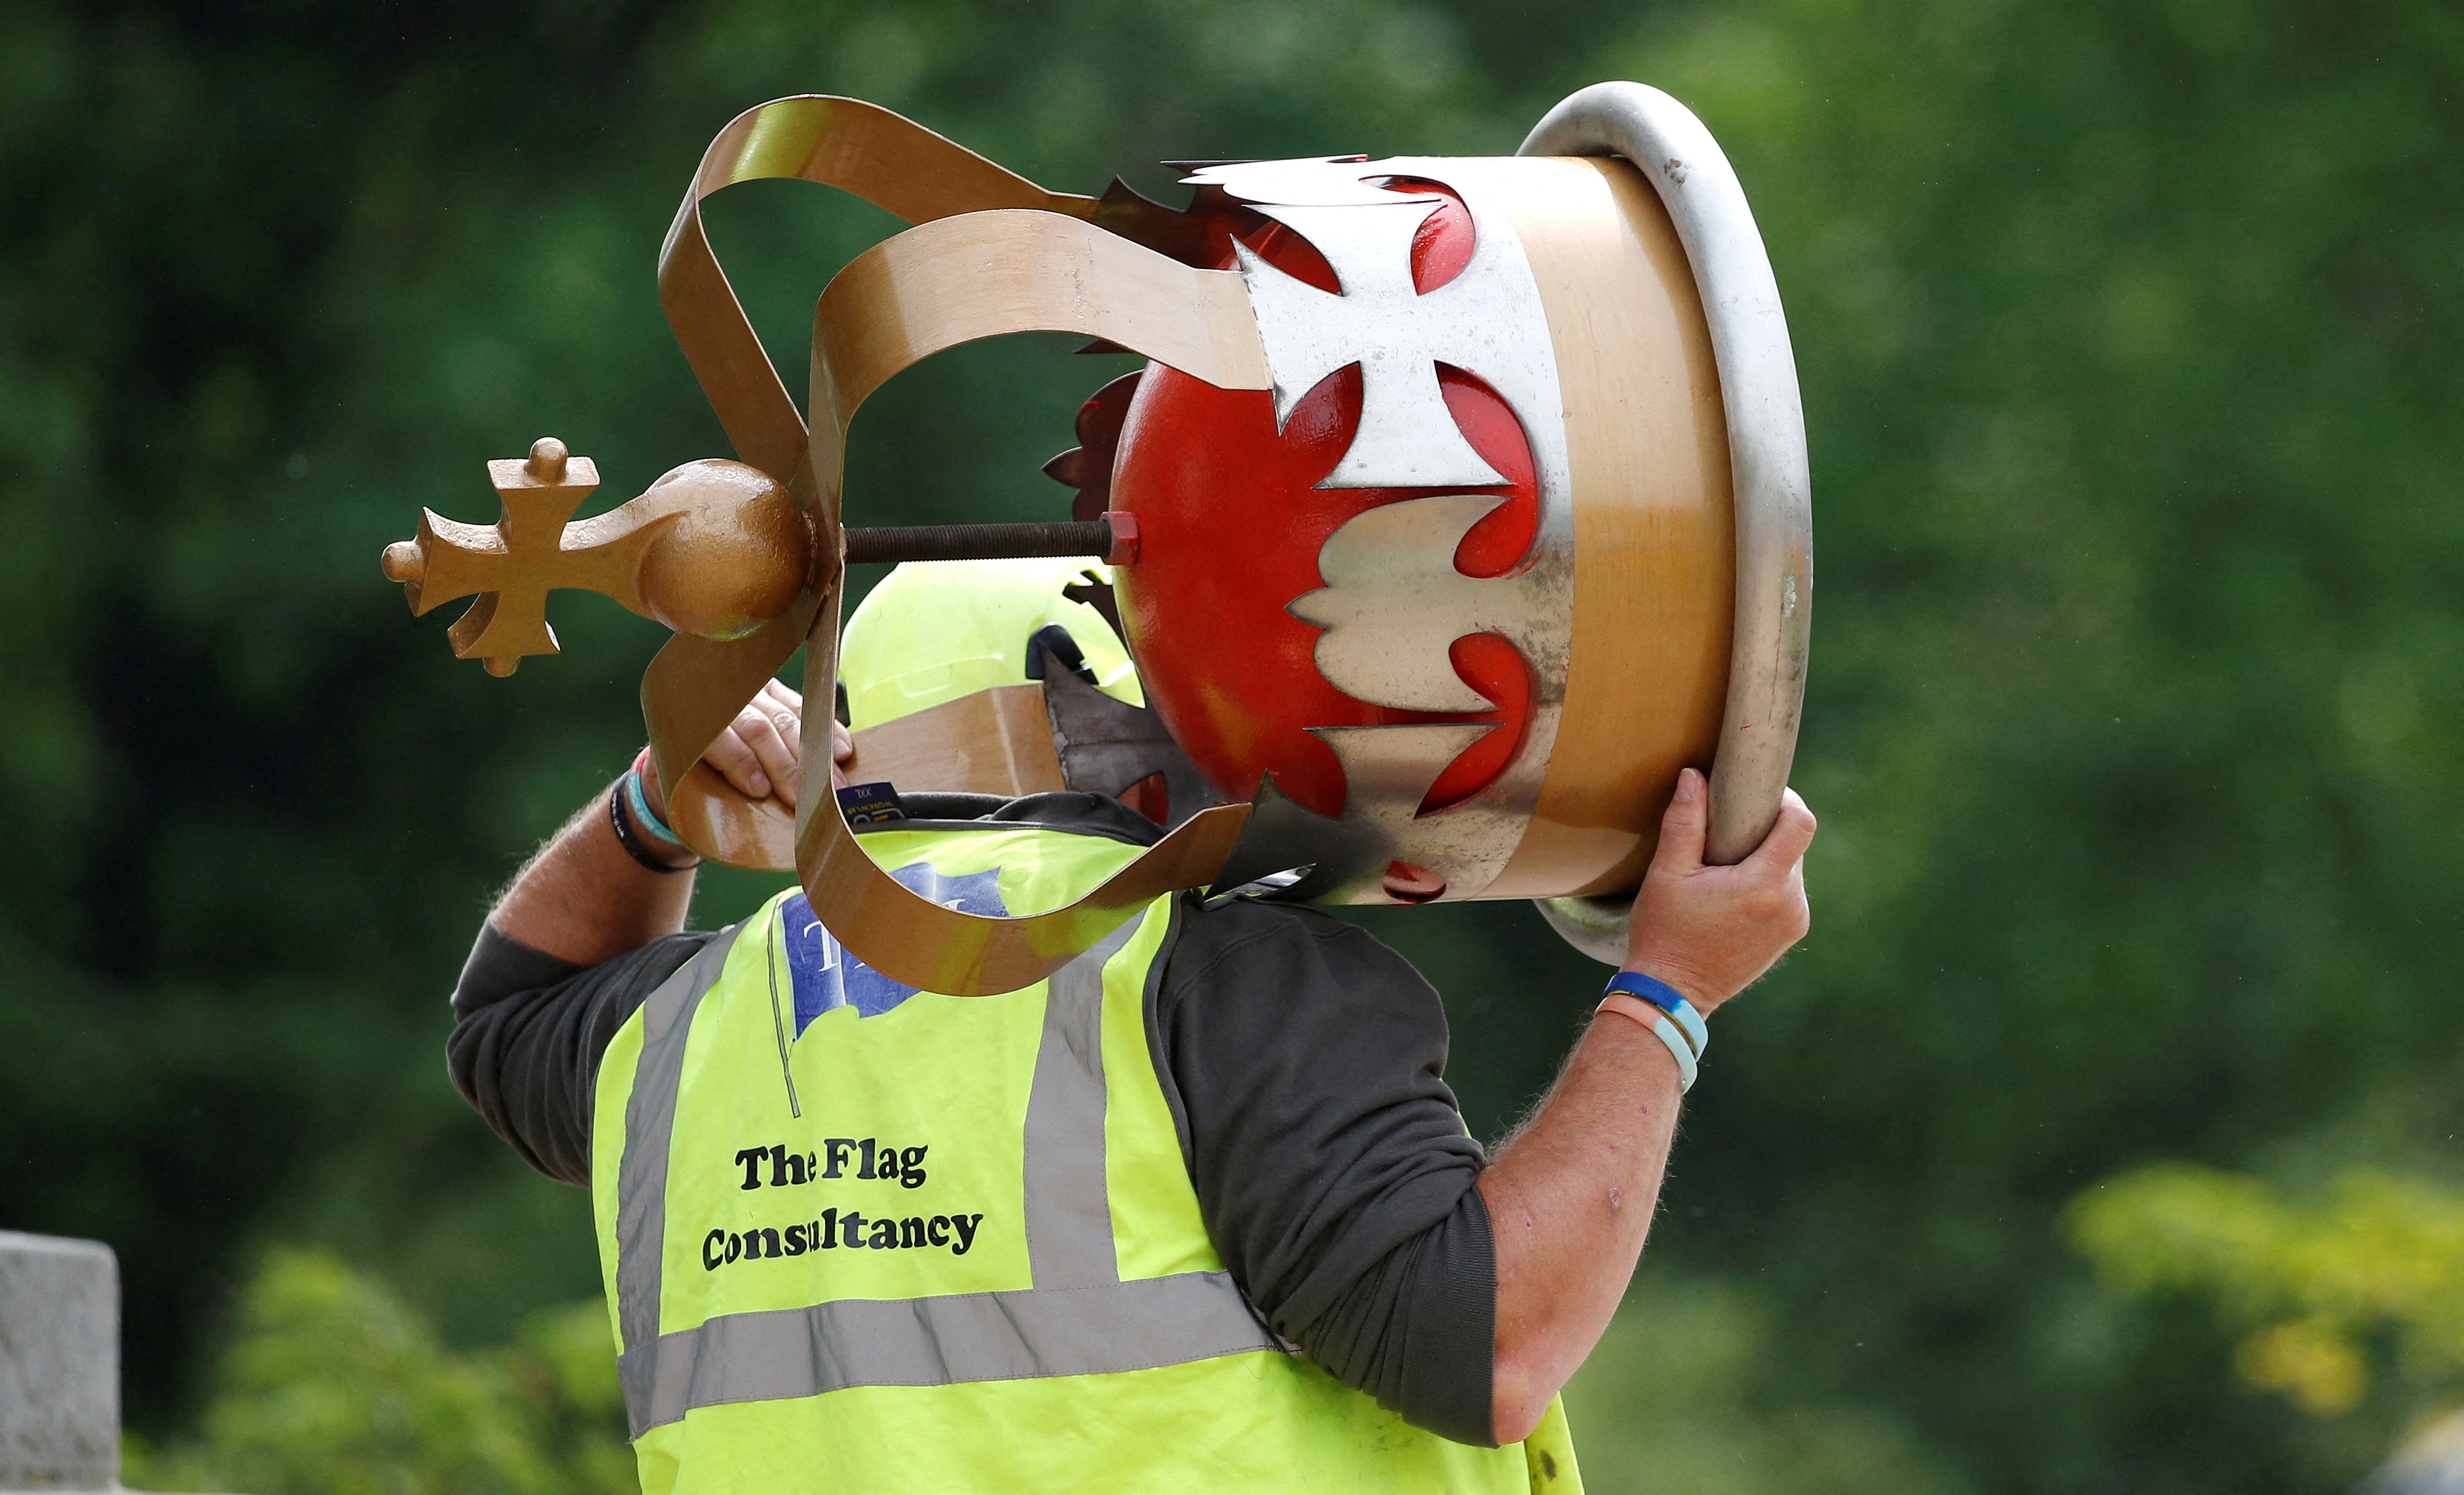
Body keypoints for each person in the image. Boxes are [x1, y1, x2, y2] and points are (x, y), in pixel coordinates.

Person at [447, 559, 1816, 1494]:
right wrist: (1666, 992)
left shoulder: (679, 1031)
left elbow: (505, 1016)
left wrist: (650, 807)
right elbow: (1491, 1342)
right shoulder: (1214, 968)